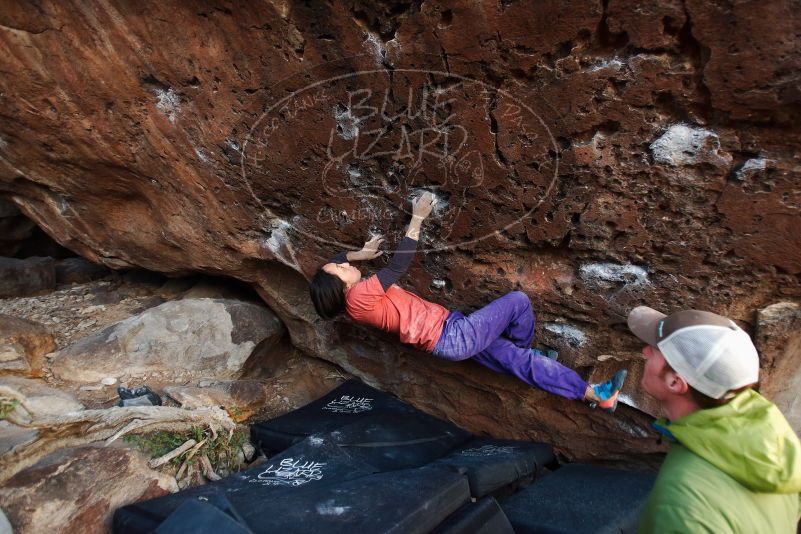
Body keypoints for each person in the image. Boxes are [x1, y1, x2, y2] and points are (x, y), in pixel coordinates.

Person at [310, 191, 627, 411]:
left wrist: (358, 255)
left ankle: (597, 396)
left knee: (522, 363)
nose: (342, 263)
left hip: (451, 335)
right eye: (339, 268)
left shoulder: (353, 303)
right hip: (452, 335)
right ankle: (537, 357)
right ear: (337, 287)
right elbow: (397, 266)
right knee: (517, 301)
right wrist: (417, 219)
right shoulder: (361, 295)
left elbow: (333, 259)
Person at [627, 306, 801, 533]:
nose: (645, 352)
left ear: (675, 383)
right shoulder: (773, 442)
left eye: (656, 350)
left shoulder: (681, 506)